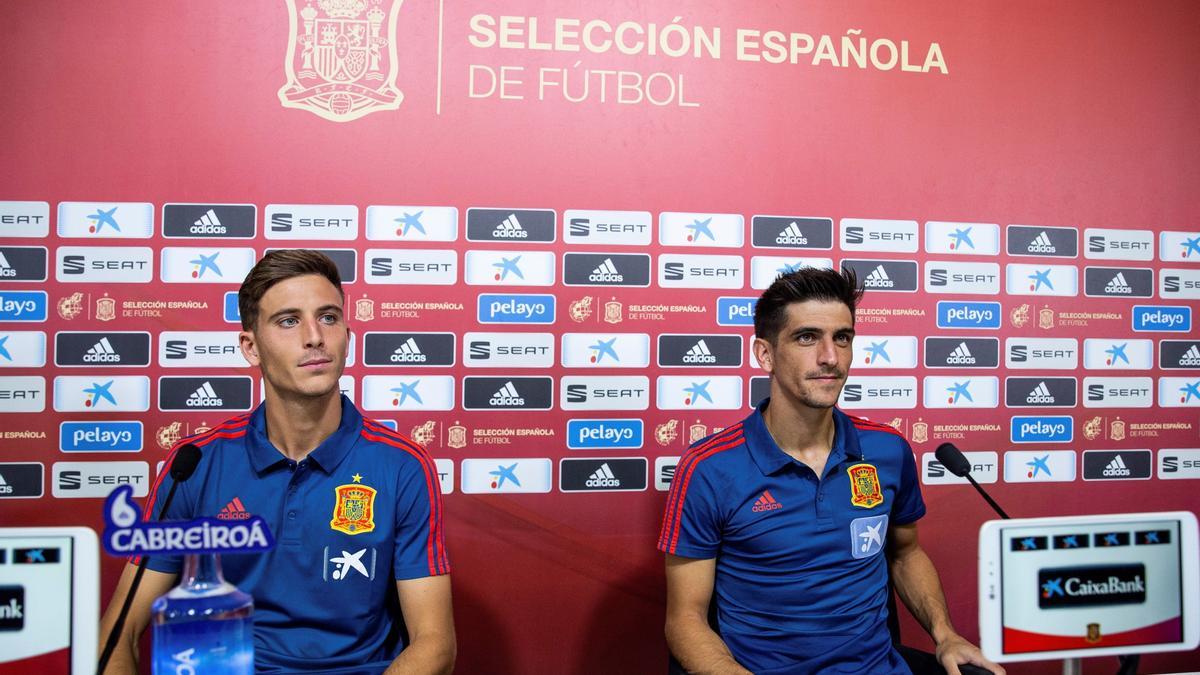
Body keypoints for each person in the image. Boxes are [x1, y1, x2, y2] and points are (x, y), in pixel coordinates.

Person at [99, 250, 455, 674]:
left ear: (347, 333)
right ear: (251, 346)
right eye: (288, 321)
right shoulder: (195, 464)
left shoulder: (402, 465)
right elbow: (118, 630)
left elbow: (435, 645)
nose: (314, 337)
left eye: (328, 317)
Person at [658, 267, 1002, 675]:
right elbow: (685, 620)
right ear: (764, 354)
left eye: (843, 337)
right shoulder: (709, 467)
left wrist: (945, 634)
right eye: (807, 337)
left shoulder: (887, 449)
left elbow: (905, 553)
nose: (830, 357)